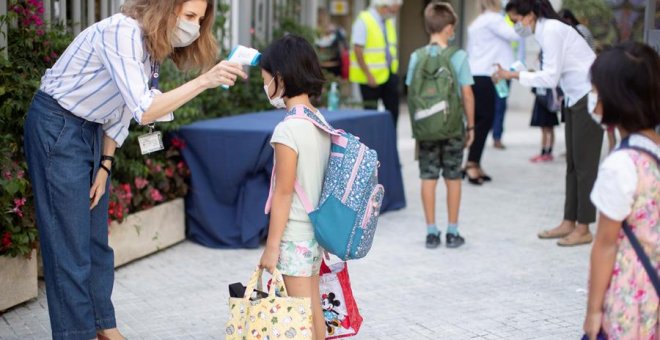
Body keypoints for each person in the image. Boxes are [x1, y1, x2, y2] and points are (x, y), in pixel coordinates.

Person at [22, 1, 247, 339]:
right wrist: (205, 81)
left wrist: (105, 164)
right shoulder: (122, 31)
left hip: (91, 131)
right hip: (58, 124)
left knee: (96, 242)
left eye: (200, 20)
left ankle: (103, 327)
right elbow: (144, 109)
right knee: (69, 248)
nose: (195, 28)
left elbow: (120, 108)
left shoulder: (148, 44)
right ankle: (77, 333)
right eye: (189, 16)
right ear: (164, 8)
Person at [495, 0, 603, 247]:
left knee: (585, 166)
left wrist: (514, 75)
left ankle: (584, 227)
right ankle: (569, 221)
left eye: (515, 20)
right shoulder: (544, 31)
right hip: (575, 96)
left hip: (588, 97)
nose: (515, 25)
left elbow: (550, 78)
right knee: (573, 164)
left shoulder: (552, 30)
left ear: (530, 15)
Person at [583, 42, 659, 340]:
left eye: (597, 91)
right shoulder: (654, 150)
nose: (594, 99)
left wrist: (593, 311)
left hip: (628, 300)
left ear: (617, 98)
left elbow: (605, 244)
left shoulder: (620, 167)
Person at [258, 35, 330, 340]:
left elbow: (284, 192)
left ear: (280, 78)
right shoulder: (318, 119)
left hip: (294, 239)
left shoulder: (287, 129)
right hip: (314, 237)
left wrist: (271, 247)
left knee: (299, 324)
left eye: (265, 80)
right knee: (314, 317)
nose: (264, 88)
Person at [406, 2, 475, 249]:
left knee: (428, 176)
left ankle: (431, 232)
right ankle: (453, 232)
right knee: (453, 176)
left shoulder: (416, 57)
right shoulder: (458, 57)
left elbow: (411, 90)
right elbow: (467, 94)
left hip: (426, 128)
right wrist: (471, 127)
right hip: (453, 127)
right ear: (448, 28)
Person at [465, 0, 519, 184]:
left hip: (475, 74)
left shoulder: (477, 21)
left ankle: (475, 163)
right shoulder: (494, 20)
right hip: (486, 75)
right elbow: (515, 35)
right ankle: (472, 164)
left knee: (480, 120)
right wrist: (517, 18)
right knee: (484, 121)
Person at [349, 0, 400, 128]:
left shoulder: (387, 22)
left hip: (388, 74)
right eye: (391, 10)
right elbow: (357, 50)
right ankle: (372, 146)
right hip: (369, 79)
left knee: (393, 113)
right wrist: (368, 75)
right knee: (370, 116)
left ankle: (390, 145)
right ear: (382, 7)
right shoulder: (363, 21)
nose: (393, 13)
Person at [529, 52, 562, 163]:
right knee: (547, 128)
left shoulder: (548, 72)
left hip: (547, 102)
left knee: (547, 128)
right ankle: (546, 152)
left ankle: (546, 152)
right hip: (544, 101)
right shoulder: (543, 71)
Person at [315, 7, 348, 77]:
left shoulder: (337, 32)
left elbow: (344, 50)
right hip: (319, 69)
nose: (322, 20)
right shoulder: (314, 33)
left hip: (335, 69)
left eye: (324, 18)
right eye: (320, 19)